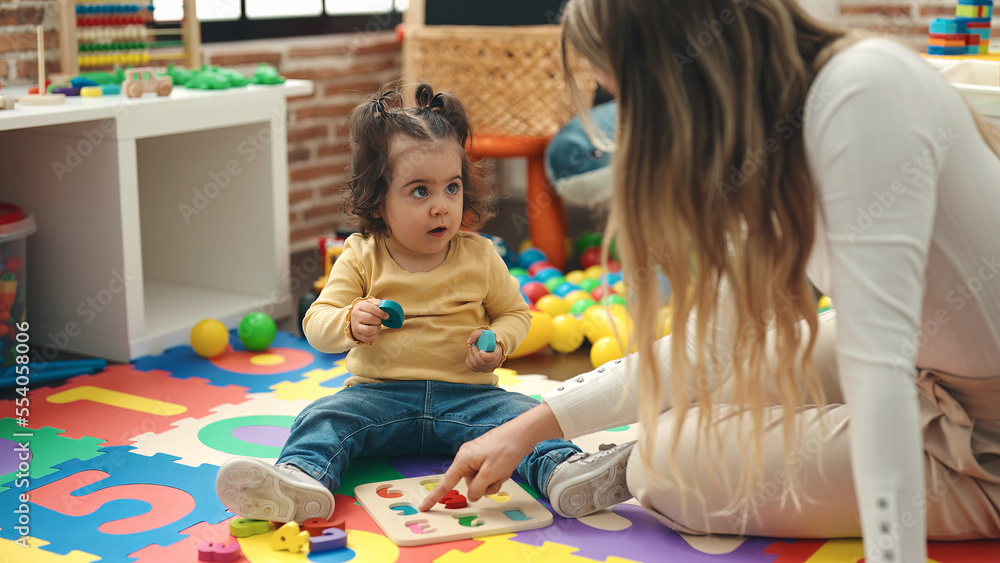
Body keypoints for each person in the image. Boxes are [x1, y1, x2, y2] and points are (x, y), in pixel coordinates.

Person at [419, 1, 1000, 561]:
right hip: (931, 360)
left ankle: (665, 459)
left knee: (665, 465)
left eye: (630, 97)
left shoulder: (860, 94)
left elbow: (882, 379)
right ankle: (688, 447)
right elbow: (712, 346)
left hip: (982, 434)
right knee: (700, 399)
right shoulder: (774, 136)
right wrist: (529, 427)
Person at [215, 83, 582, 523]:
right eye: (420, 192)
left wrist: (498, 342)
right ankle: (302, 479)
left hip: (469, 400)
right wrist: (350, 321)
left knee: (526, 417)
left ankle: (565, 471)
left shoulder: (480, 255)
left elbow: (515, 313)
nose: (442, 207)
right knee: (324, 416)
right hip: (378, 399)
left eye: (452, 187)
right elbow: (317, 322)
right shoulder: (361, 254)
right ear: (378, 200)